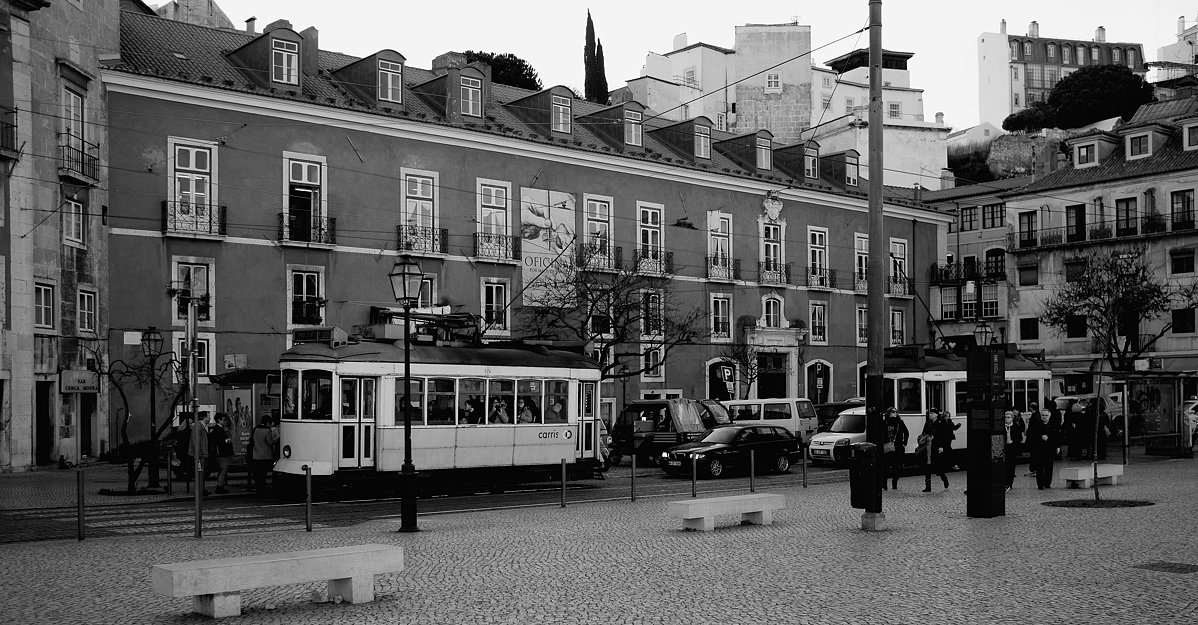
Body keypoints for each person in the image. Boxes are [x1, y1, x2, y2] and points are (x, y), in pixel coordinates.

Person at [924, 409, 959, 492]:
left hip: (937, 446)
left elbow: (944, 435)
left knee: (938, 466)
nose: (930, 414)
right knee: (927, 466)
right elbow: (924, 433)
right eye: (929, 413)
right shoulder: (927, 423)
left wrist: (941, 446)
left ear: (936, 415)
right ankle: (928, 486)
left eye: (932, 413)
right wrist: (927, 437)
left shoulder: (941, 423)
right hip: (928, 446)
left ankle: (944, 478)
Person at [1028, 408, 1062, 489]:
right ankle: (1040, 484)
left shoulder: (1053, 425)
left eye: (1046, 415)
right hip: (1039, 449)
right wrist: (1040, 437)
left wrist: (1057, 446)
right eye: (1043, 415)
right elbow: (1031, 436)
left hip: (1050, 449)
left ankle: (1047, 484)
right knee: (1039, 467)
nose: (1044, 417)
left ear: (1049, 416)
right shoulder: (1036, 425)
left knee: (1049, 467)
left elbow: (1057, 436)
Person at [249, 416, 279, 493]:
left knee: (258, 474)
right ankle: (262, 489)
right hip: (265, 456)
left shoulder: (256, 429)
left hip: (256, 455)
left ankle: (258, 488)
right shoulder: (267, 431)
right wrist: (276, 439)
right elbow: (270, 442)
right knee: (263, 474)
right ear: (268, 423)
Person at [882, 408, 909, 491]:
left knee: (896, 466)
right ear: (889, 413)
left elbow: (906, 432)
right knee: (885, 466)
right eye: (893, 412)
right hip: (887, 446)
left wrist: (904, 442)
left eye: (896, 412)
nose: (895, 413)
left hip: (897, 447)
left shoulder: (900, 422)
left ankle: (894, 483)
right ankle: (884, 484)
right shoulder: (884, 422)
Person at [209, 413, 235, 494]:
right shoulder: (219, 430)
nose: (225, 422)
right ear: (218, 420)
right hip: (222, 453)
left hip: (221, 453)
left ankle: (220, 486)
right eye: (223, 420)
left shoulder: (218, 430)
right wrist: (227, 440)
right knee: (223, 469)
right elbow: (221, 442)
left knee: (222, 470)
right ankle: (219, 486)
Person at [1003, 408, 1027, 492]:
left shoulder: (1015, 426)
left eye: (1008, 417)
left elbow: (1019, 438)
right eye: (1005, 417)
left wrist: (1013, 442)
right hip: (1004, 448)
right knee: (1004, 466)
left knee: (1011, 465)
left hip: (1012, 448)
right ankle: (1004, 482)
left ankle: (1009, 483)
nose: (1007, 419)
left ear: (1012, 418)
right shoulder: (1001, 427)